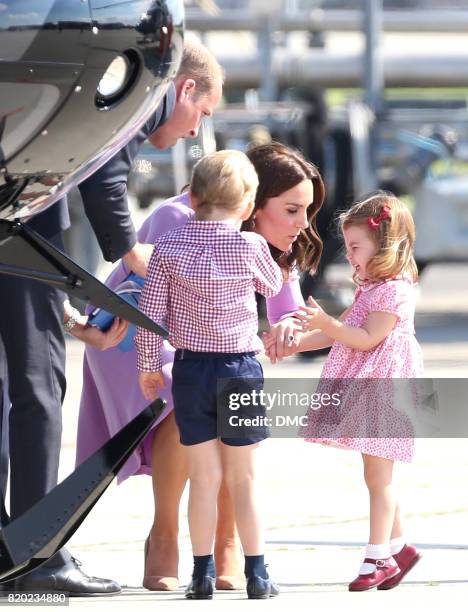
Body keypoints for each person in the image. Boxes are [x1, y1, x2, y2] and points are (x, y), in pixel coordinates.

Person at [0, 37, 223, 595]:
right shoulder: (132, 91)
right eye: (203, 111)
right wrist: (129, 249)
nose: (197, 129)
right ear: (184, 88)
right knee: (38, 385)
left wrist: (70, 309)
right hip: (22, 220)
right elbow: (104, 173)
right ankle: (36, 557)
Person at [75, 142, 325, 591]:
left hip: (206, 349)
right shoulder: (178, 220)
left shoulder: (259, 244)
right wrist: (151, 364)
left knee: (224, 432)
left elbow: (286, 308)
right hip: (126, 336)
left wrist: (288, 326)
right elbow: (147, 304)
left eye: (306, 211)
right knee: (181, 396)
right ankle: (166, 535)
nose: (302, 223)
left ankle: (224, 541)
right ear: (252, 201)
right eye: (291, 210)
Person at [136, 150, 283, 600]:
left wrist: (147, 366)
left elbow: (150, 313)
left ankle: (200, 575)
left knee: (203, 477)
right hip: (239, 368)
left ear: (194, 196)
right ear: (247, 204)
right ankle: (257, 575)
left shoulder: (169, 249)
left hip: (191, 368)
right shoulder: (250, 245)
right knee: (245, 478)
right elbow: (273, 286)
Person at [265, 191, 423, 591]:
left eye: (355, 246)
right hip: (371, 387)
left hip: (387, 388)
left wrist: (326, 322)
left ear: (383, 243)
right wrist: (287, 343)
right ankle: (399, 546)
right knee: (376, 472)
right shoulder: (371, 287)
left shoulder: (396, 290)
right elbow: (337, 334)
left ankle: (378, 557)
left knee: (378, 476)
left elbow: (366, 337)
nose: (350, 255)